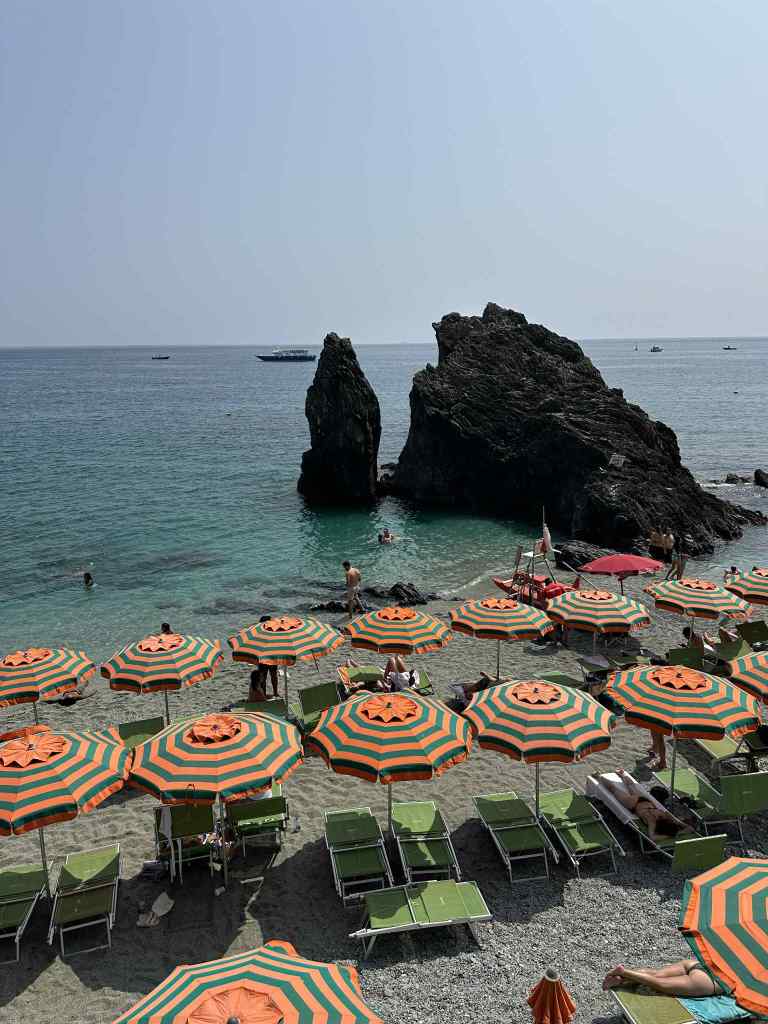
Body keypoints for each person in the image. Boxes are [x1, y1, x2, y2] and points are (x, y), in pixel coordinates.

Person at [603, 769, 690, 840]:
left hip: (646, 802)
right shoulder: (653, 822)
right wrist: (674, 835)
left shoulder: (667, 816)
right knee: (613, 789)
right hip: (634, 805)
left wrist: (682, 831)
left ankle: (622, 774)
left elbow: (682, 824)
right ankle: (599, 777)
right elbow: (652, 837)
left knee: (631, 785)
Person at [602, 959, 723, 997]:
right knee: (661, 983)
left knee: (657, 973)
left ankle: (621, 980)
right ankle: (624, 972)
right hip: (709, 980)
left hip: (697, 964)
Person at [256, 614, 279, 698]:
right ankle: (275, 693)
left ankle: (264, 694)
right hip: (272, 655)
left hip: (263, 656)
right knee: (273, 675)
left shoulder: (259, 633)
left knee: (264, 676)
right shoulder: (273, 632)